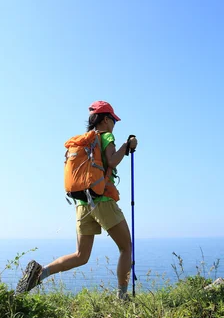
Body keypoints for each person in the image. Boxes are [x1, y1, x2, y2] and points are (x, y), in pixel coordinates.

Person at [16, 100, 138, 299]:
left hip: (82, 204)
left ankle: (39, 274)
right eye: (113, 120)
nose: (114, 124)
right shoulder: (106, 136)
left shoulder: (85, 142)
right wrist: (128, 145)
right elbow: (113, 161)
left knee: (81, 256)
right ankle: (122, 298)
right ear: (105, 120)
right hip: (102, 201)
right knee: (126, 247)